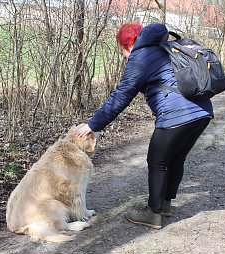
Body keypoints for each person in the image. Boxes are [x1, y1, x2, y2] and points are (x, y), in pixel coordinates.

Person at [76, 22, 213, 229]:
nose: (122, 55)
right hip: (202, 111)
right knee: (175, 158)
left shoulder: (140, 58)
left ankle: (153, 213)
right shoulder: (164, 48)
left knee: (157, 161)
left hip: (177, 115)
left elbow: (120, 96)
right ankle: (165, 204)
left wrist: (93, 124)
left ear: (127, 45)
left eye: (121, 50)